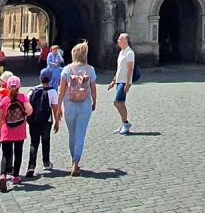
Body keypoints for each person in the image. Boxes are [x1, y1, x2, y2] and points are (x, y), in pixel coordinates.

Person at [56, 41, 98, 176]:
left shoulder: (67, 69)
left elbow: (61, 89)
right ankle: (76, 162)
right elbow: (93, 88)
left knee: (72, 134)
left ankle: (73, 161)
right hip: (85, 105)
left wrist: (58, 106)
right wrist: (94, 102)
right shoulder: (90, 69)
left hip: (69, 105)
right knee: (81, 134)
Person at [0, 75, 32, 192]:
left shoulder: (4, 100)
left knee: (6, 155)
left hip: (6, 131)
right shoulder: (22, 98)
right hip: (19, 130)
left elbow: (0, 117)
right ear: (19, 86)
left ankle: (2, 175)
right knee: (18, 153)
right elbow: (30, 111)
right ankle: (16, 176)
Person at [25, 69, 57, 178]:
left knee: (34, 143)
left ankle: (31, 166)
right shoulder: (52, 91)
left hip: (34, 121)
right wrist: (57, 121)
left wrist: (27, 119)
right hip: (46, 121)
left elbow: (27, 108)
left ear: (40, 78)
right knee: (46, 141)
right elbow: (55, 108)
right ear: (50, 79)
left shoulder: (31, 91)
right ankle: (46, 162)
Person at [108, 31, 135, 135]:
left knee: (117, 102)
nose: (118, 41)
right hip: (119, 80)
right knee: (121, 103)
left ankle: (126, 123)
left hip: (124, 81)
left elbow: (130, 69)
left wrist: (128, 84)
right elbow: (119, 69)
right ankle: (124, 124)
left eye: (120, 39)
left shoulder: (129, 52)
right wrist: (113, 81)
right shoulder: (121, 52)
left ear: (126, 41)